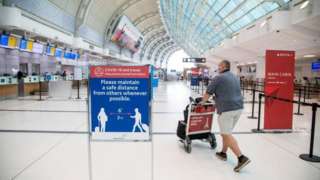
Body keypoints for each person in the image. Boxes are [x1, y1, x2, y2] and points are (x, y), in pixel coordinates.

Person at [201, 60, 250, 172]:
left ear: (223, 67)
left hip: (227, 109)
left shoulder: (218, 77)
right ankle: (223, 153)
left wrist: (202, 103)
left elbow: (208, 93)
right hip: (238, 108)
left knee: (226, 134)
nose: (218, 67)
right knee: (227, 133)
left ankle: (241, 158)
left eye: (219, 66)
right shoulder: (235, 77)